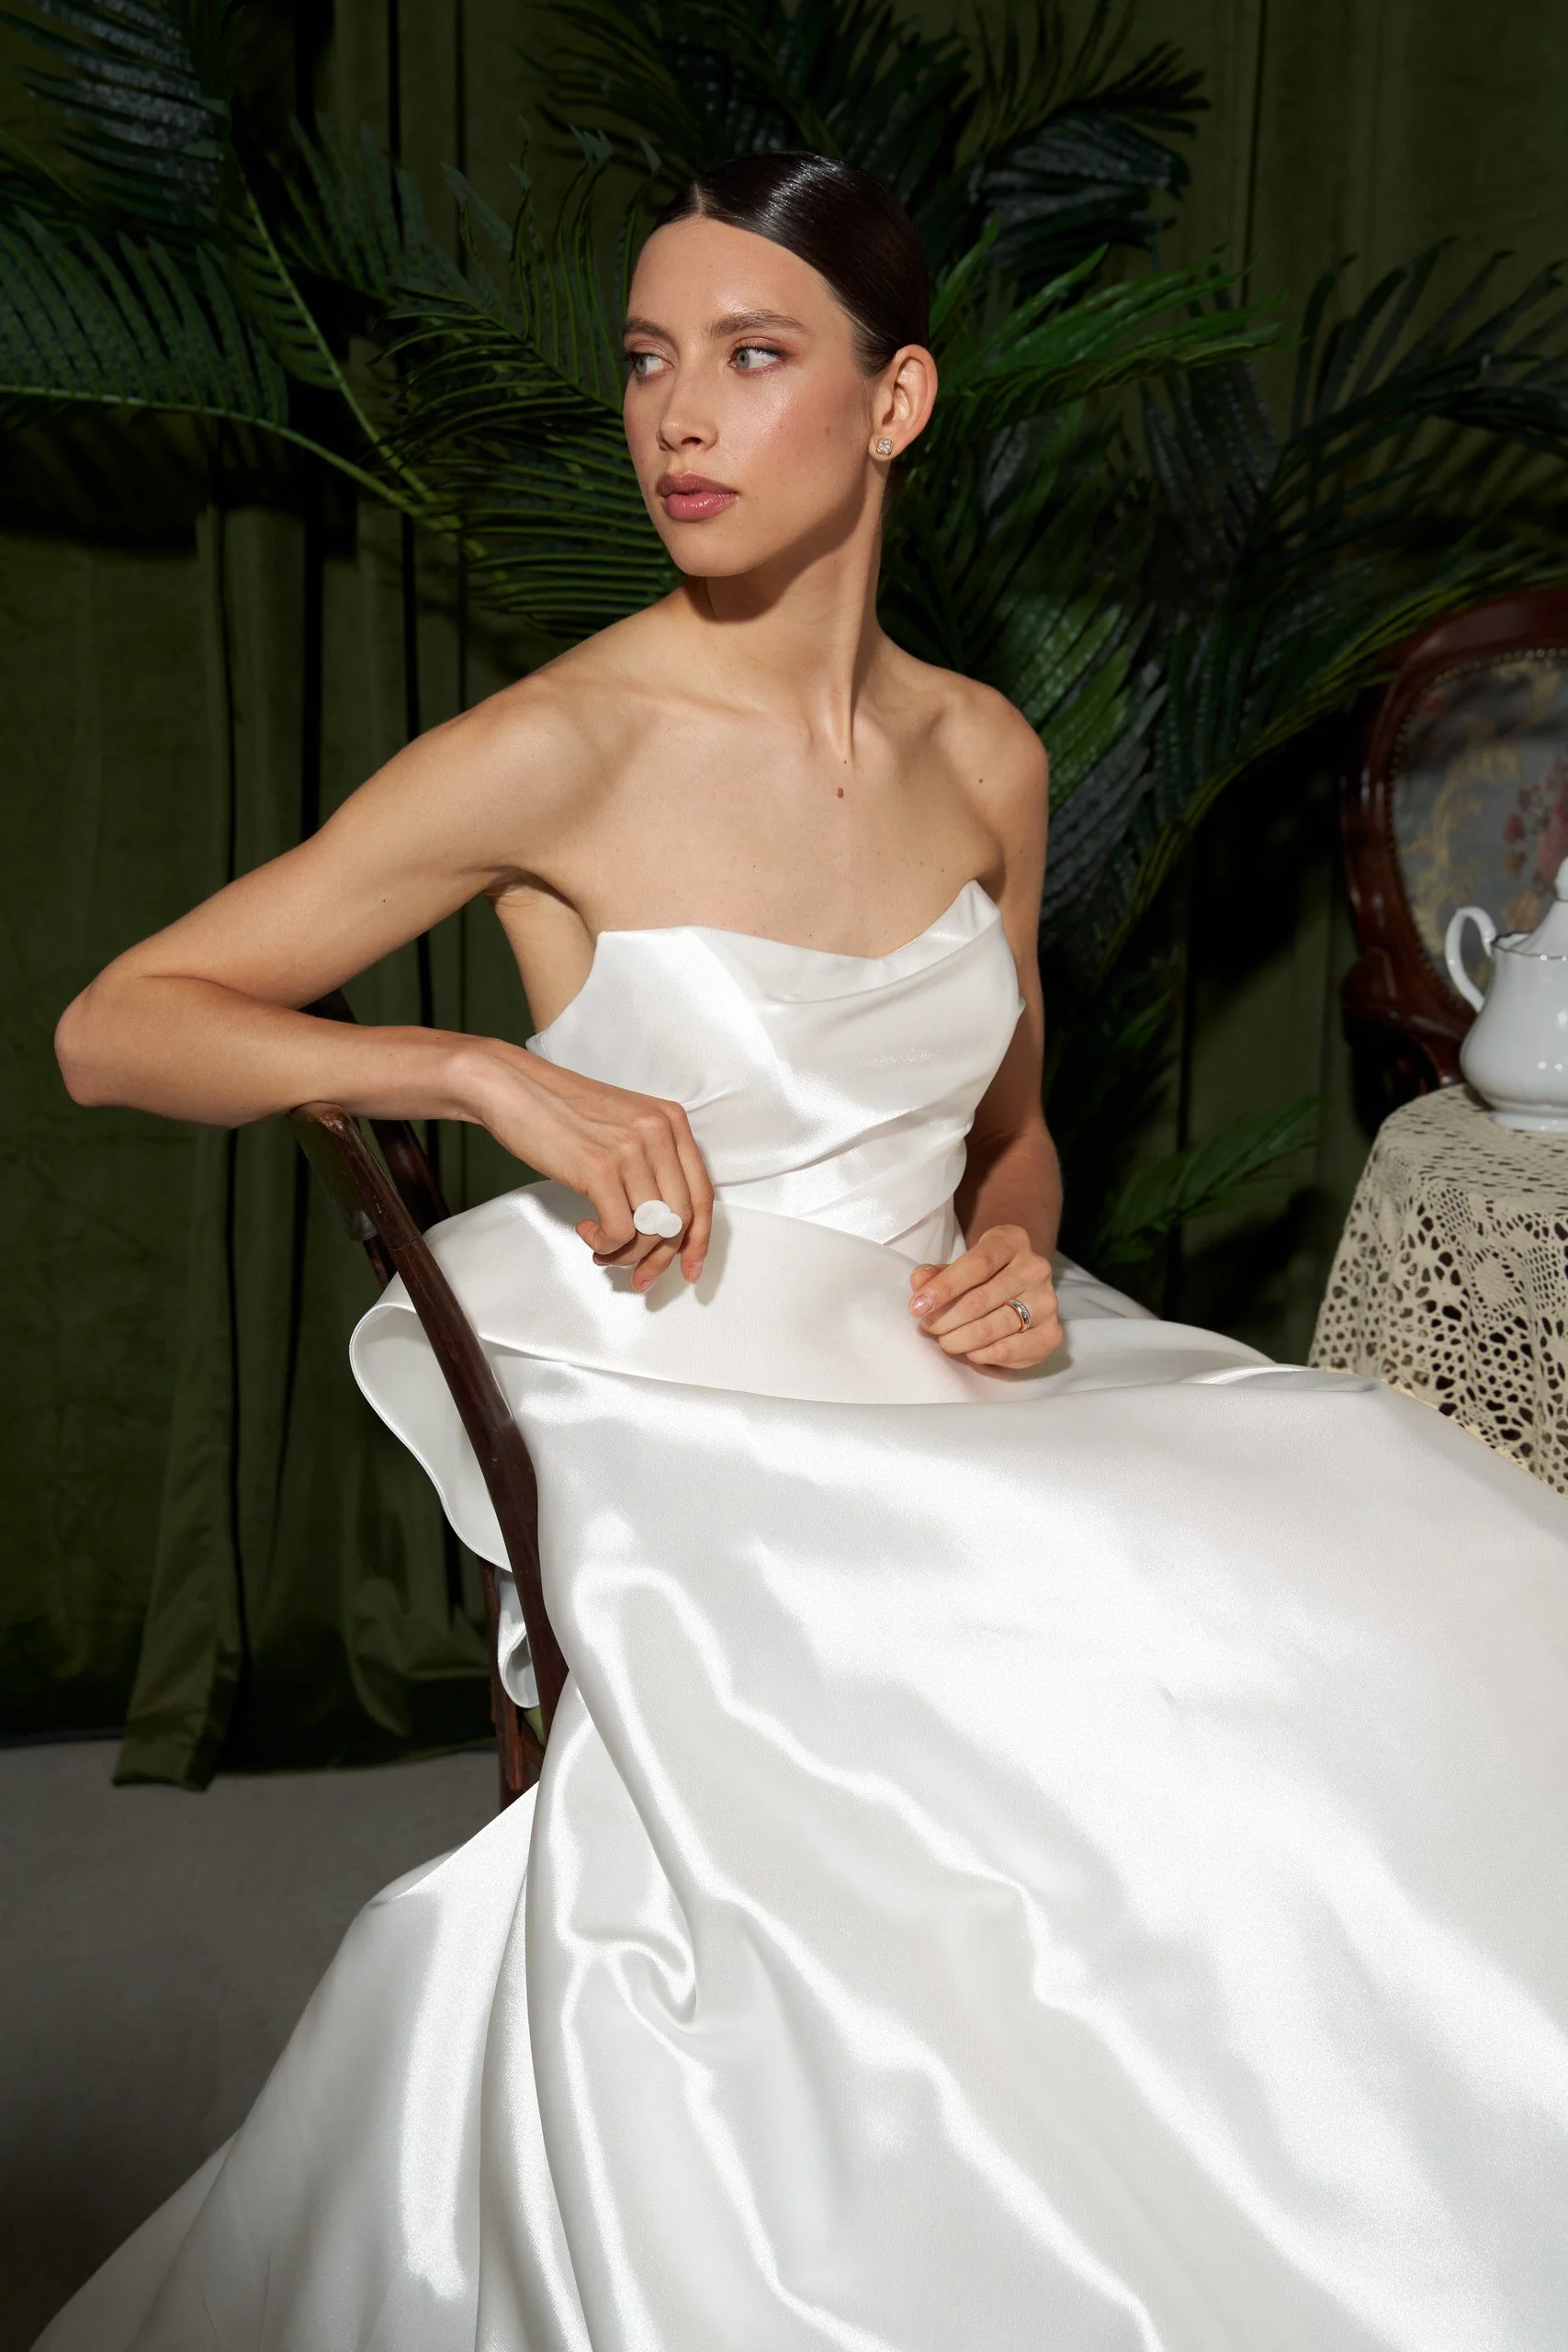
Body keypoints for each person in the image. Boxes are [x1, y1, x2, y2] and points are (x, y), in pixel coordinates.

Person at [39, 153, 1568, 2352]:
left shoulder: (985, 758)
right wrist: (483, 1073)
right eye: (651, 362)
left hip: (955, 1363)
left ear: (895, 397)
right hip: (690, 1396)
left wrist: (1025, 1246)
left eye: (754, 359)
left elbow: (1013, 1136)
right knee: (1083, 1684)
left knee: (1428, 1578)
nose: (680, 416)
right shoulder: (562, 742)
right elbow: (120, 1025)